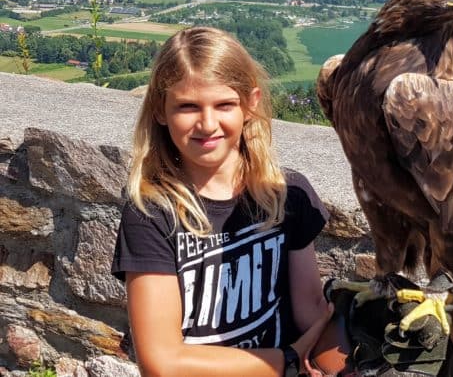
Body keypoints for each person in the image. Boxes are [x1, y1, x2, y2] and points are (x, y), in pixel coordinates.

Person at [111, 26, 333, 377]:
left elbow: (312, 312)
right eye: (187, 106)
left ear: (251, 105)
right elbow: (162, 363)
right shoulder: (152, 213)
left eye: (225, 104)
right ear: (159, 111)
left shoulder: (287, 195)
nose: (207, 123)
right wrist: (288, 361)